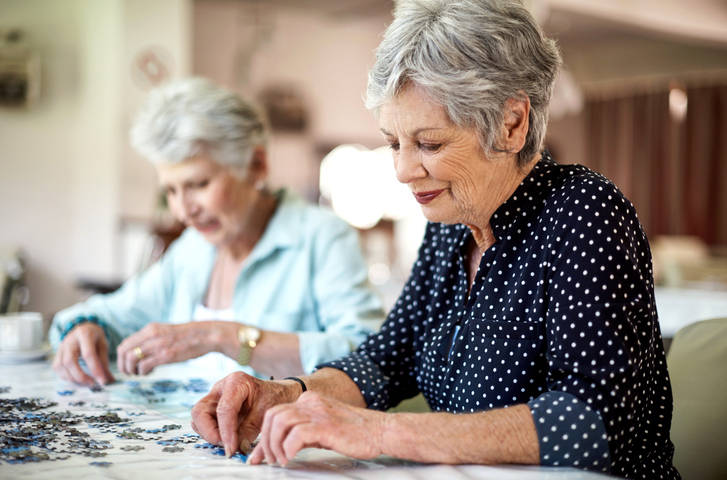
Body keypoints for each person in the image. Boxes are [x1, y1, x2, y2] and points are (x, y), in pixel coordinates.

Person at [190, 1, 680, 478]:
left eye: (429, 143)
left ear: (511, 124)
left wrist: (381, 433)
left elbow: (592, 422)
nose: (403, 170)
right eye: (393, 143)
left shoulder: (584, 211)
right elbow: (386, 359)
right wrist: (287, 393)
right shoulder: (449, 225)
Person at [49, 78, 385, 387]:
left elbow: (370, 356)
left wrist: (221, 337)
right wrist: (85, 327)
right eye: (171, 190)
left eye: (198, 184)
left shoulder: (323, 237)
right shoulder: (193, 249)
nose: (183, 210)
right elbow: (105, 314)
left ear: (256, 164)